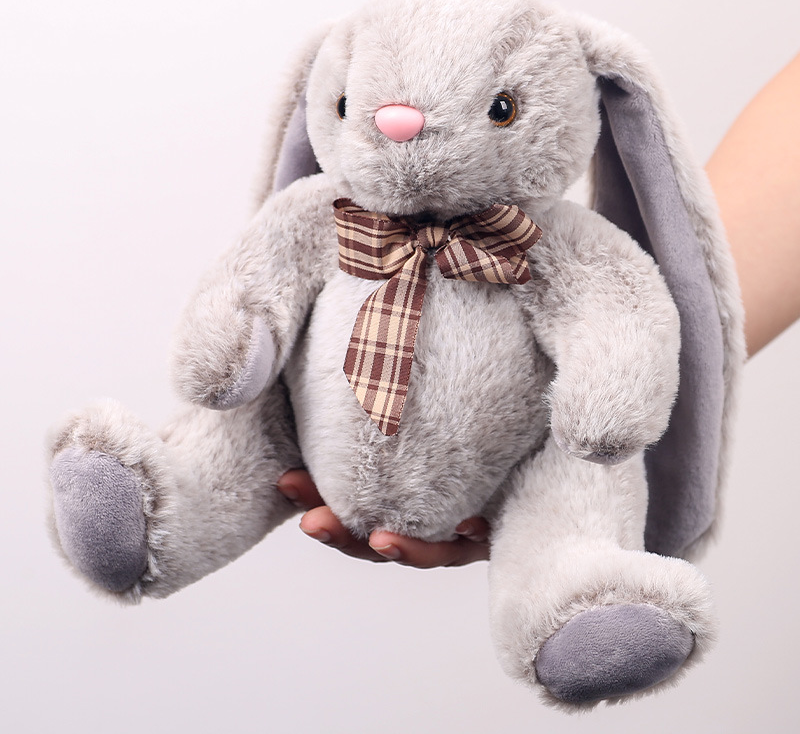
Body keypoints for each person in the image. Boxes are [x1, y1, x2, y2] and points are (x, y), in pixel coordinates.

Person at [277, 52, 800, 568]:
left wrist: (584, 421)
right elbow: (250, 302)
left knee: (565, 512)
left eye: (501, 108)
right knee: (238, 445)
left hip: (509, 454)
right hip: (324, 435)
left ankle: (584, 593)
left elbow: (618, 315)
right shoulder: (327, 216)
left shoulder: (546, 241)